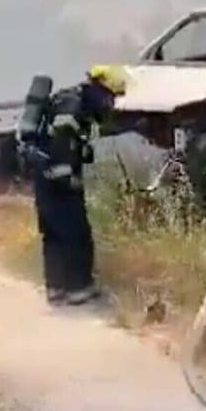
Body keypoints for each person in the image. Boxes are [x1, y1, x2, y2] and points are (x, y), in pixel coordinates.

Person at [18, 65, 126, 306]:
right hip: (59, 181)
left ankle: (55, 288)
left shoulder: (71, 99)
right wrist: (71, 182)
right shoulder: (74, 108)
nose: (111, 103)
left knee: (53, 235)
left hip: (44, 177)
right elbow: (62, 146)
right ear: (100, 88)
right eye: (110, 97)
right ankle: (79, 288)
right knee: (77, 234)